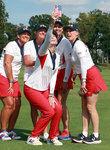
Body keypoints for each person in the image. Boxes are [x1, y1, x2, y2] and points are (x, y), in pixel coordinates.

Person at [64, 24, 108, 144]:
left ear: (77, 33)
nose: (68, 33)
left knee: (90, 107)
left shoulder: (78, 45)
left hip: (90, 76)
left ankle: (96, 135)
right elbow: (79, 65)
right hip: (85, 76)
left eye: (71, 31)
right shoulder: (73, 45)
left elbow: (84, 64)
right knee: (84, 106)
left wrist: (83, 82)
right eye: (67, 31)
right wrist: (75, 74)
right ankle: (84, 134)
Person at [24, 12, 63, 146]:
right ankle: (33, 137)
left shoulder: (57, 56)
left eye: (54, 36)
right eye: (50, 36)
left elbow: (53, 77)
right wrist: (52, 24)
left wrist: (51, 95)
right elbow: (46, 41)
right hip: (32, 88)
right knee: (48, 111)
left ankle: (52, 137)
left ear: (57, 41)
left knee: (58, 109)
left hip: (44, 89)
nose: (52, 37)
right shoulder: (42, 51)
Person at [0, 27, 31, 141]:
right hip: (1, 75)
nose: (26, 36)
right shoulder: (12, 44)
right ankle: (2, 132)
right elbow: (7, 63)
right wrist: (11, 81)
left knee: (17, 104)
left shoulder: (24, 48)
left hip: (12, 78)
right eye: (23, 34)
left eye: (28, 34)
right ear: (18, 35)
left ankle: (10, 131)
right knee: (9, 104)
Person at [23, 24, 49, 141]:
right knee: (34, 107)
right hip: (31, 79)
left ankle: (45, 133)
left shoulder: (48, 44)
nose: (43, 32)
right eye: (40, 31)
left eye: (44, 31)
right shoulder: (29, 45)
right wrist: (40, 61)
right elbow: (27, 62)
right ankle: (37, 131)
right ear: (36, 33)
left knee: (45, 108)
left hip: (44, 80)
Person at [53, 19, 73, 140]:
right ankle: (56, 128)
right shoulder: (51, 39)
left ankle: (66, 130)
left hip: (63, 73)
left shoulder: (65, 42)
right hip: (53, 73)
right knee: (54, 104)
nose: (57, 29)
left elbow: (69, 62)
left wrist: (66, 80)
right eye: (55, 27)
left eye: (59, 27)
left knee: (61, 103)